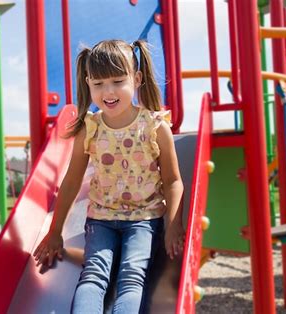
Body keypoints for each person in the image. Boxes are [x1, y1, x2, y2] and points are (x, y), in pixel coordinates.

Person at [33, 39, 184, 313]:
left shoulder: (154, 127)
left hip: (144, 220)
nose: (108, 91)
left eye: (117, 81)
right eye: (99, 84)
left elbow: (173, 180)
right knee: (93, 274)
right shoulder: (89, 129)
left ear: (136, 79)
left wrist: (173, 223)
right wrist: (55, 232)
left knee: (131, 275)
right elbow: (71, 182)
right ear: (88, 83)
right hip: (101, 219)